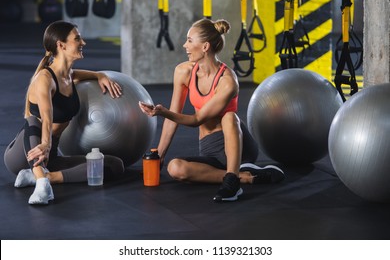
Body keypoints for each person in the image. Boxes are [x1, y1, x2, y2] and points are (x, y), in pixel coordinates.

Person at [139, 18, 285, 202]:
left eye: (190, 40)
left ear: (205, 46)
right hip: (209, 150)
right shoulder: (183, 72)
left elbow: (197, 119)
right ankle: (244, 177)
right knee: (175, 168)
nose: (185, 45)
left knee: (229, 117)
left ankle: (233, 182)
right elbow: (172, 119)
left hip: (238, 147)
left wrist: (162, 111)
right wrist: (159, 156)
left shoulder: (227, 81)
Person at [3, 20, 125, 205]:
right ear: (61, 45)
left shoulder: (70, 76)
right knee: (33, 121)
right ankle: (41, 182)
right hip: (25, 154)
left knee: (114, 165)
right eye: (77, 39)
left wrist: (100, 75)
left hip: (50, 156)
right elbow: (46, 116)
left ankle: (47, 176)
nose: (83, 43)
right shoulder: (44, 78)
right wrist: (45, 143)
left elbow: (84, 74)